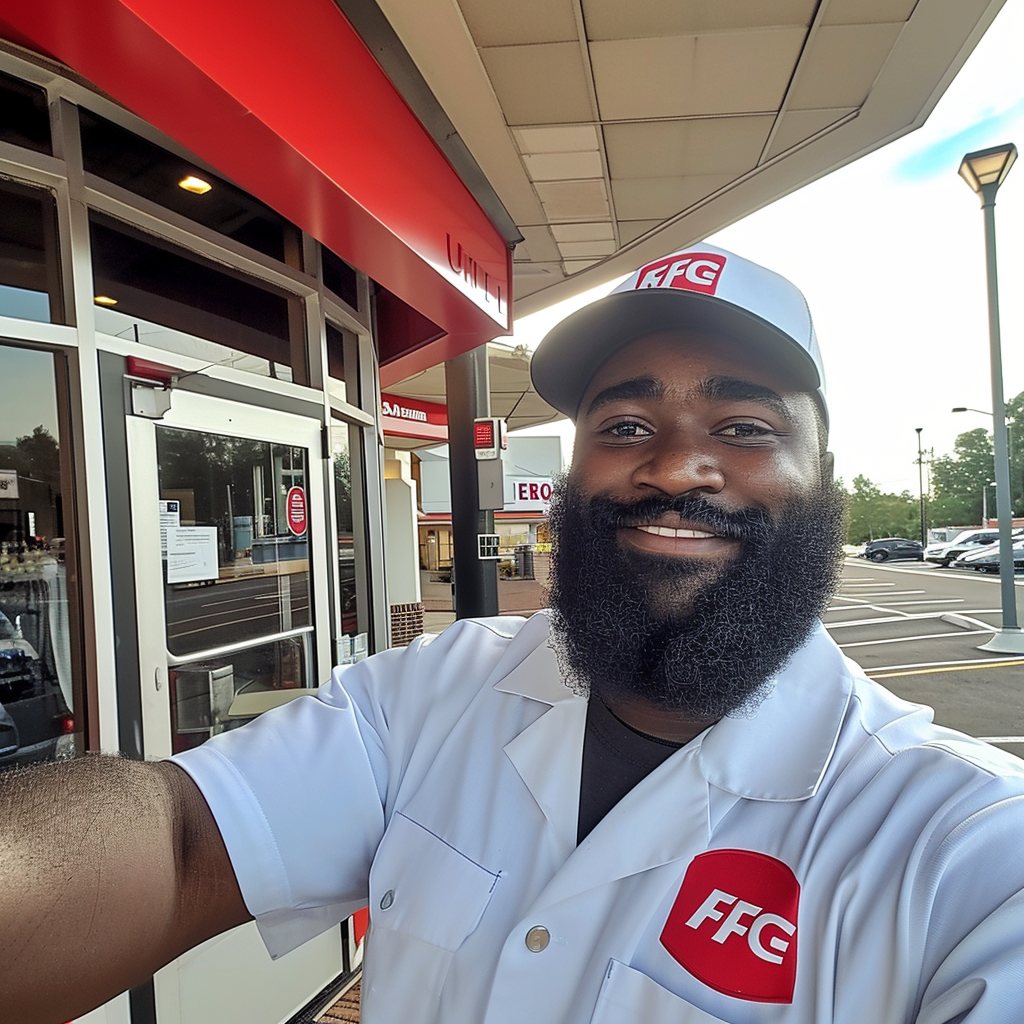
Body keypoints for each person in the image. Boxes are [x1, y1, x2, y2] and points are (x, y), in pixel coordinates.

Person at [3, 244, 1023, 1024]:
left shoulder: (967, 849)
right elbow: (181, 846)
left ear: (824, 478)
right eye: (622, 426)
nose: (672, 467)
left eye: (743, 427)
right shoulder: (432, 694)